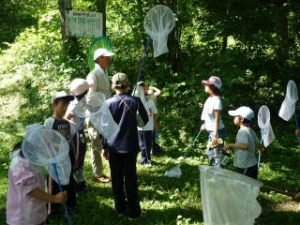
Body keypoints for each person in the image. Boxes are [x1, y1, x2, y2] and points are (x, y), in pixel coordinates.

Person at [102, 72, 148, 219]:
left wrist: (104, 147)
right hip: (130, 146)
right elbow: (144, 121)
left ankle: (120, 209)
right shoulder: (135, 101)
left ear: (113, 86)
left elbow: (104, 127)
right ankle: (134, 213)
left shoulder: (107, 103)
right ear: (127, 85)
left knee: (116, 178)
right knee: (130, 179)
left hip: (113, 146)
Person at [6, 141, 67, 225]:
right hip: (23, 218)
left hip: (35, 212)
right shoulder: (20, 163)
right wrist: (54, 198)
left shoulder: (31, 159)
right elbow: (31, 190)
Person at [44, 91, 77, 216]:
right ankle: (53, 208)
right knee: (54, 183)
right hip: (53, 159)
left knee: (68, 181)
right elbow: (46, 141)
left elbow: (71, 139)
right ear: (54, 105)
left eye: (67, 105)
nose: (65, 108)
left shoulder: (67, 123)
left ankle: (70, 205)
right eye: (62, 105)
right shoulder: (49, 122)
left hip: (66, 159)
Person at [86, 48, 114, 183]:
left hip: (105, 113)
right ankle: (97, 173)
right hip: (95, 114)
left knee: (109, 140)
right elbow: (90, 98)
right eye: (107, 57)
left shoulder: (104, 72)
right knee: (96, 143)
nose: (109, 59)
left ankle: (112, 168)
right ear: (99, 59)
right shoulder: (93, 75)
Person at [224, 106, 264, 179]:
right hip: (252, 165)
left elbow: (245, 146)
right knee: (251, 187)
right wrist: (261, 148)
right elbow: (259, 145)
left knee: (243, 186)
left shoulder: (242, 131)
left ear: (241, 119)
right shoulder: (250, 130)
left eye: (236, 116)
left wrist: (230, 145)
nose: (234, 118)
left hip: (245, 166)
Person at [65, 78, 89, 192]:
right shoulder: (74, 105)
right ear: (84, 92)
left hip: (79, 133)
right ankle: (78, 186)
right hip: (75, 135)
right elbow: (66, 119)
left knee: (79, 159)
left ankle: (80, 183)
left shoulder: (80, 101)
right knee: (77, 161)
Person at [200, 76, 226, 167]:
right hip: (213, 132)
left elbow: (217, 119)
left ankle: (219, 173)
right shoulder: (209, 99)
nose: (205, 86)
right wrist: (205, 124)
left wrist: (215, 135)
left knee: (216, 154)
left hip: (217, 132)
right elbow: (208, 115)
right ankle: (217, 170)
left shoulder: (217, 100)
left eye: (207, 85)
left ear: (212, 87)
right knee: (210, 152)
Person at [135, 81, 158, 166]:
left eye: (146, 87)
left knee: (148, 144)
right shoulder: (136, 101)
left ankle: (148, 159)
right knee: (143, 144)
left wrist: (155, 126)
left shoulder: (149, 101)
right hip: (141, 127)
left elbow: (154, 114)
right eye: (143, 88)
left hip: (149, 127)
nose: (146, 89)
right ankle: (145, 160)